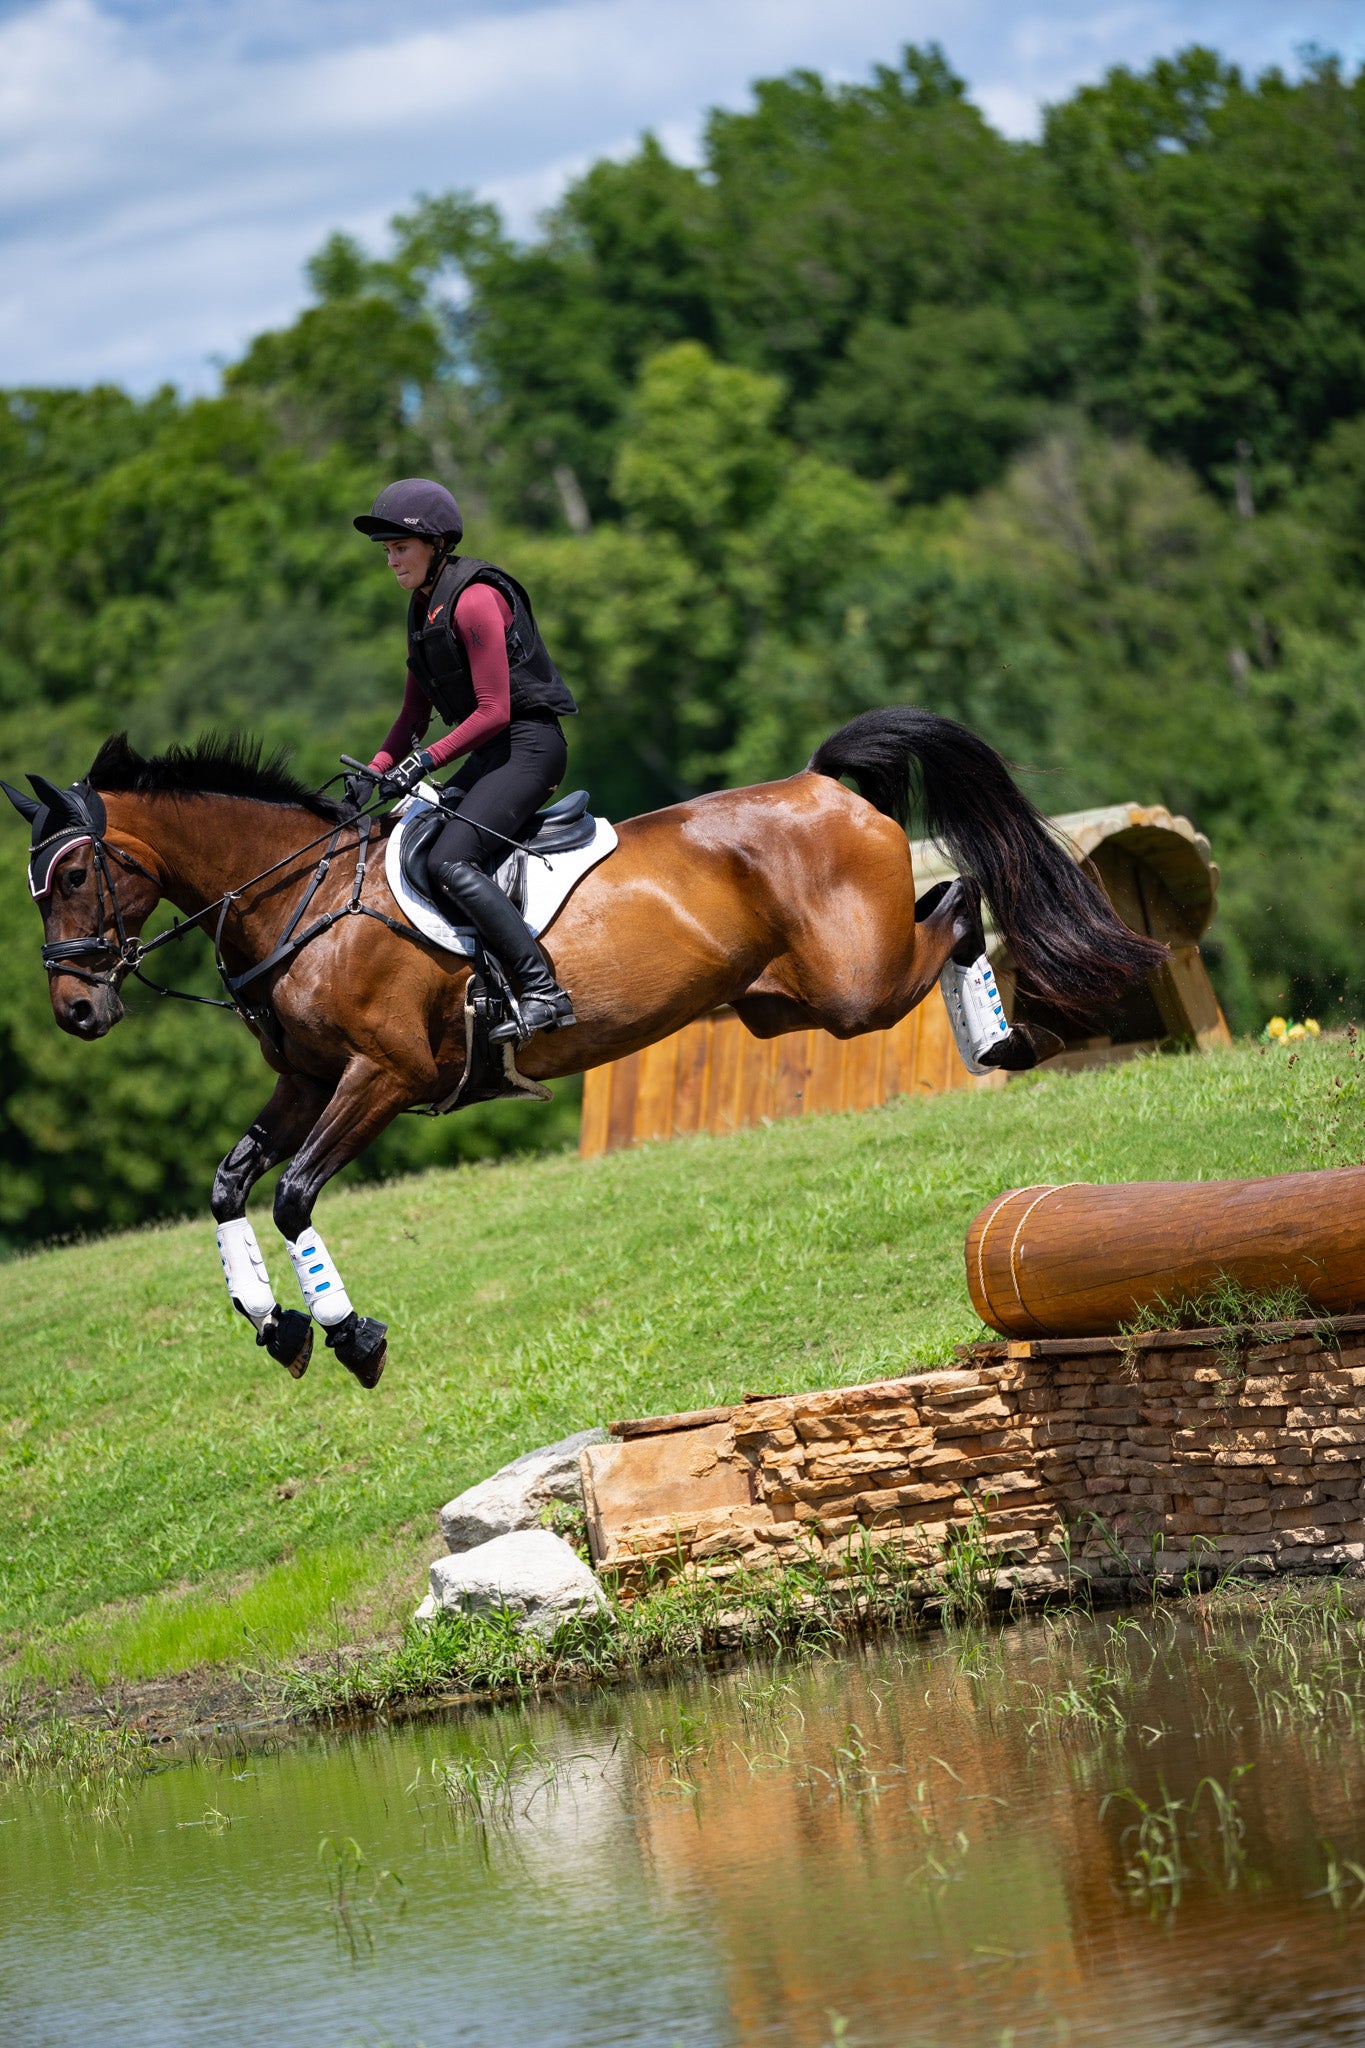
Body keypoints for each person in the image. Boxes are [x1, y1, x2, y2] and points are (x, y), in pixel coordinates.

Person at [354, 478, 578, 1042]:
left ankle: (542, 991)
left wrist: (423, 762)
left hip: (529, 748)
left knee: (452, 861)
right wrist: (375, 771)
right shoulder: (420, 610)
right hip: (491, 754)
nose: (391, 561)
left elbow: (495, 710)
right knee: (413, 838)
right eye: (386, 551)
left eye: (399, 548)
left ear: (434, 544)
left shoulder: (475, 598)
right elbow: (410, 718)